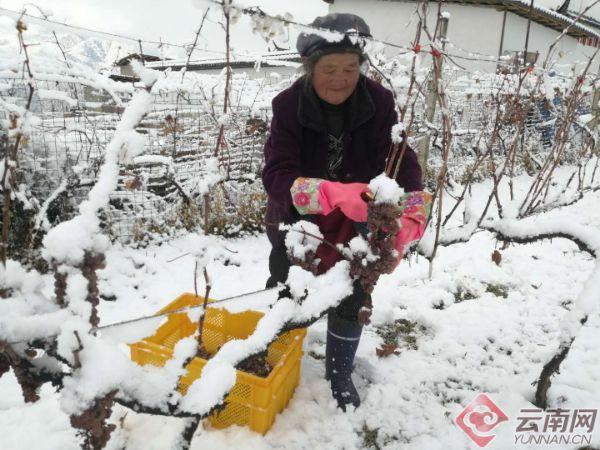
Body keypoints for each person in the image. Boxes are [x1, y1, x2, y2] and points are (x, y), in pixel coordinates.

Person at [261, 13, 426, 412]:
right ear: (309, 68)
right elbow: (276, 175)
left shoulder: (380, 102)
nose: (340, 78)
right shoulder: (287, 105)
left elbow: (403, 163)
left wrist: (411, 214)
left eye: (350, 68)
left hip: (358, 219)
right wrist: (329, 191)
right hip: (300, 219)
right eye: (329, 69)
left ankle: (339, 371)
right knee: (289, 282)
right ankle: (277, 357)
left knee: (355, 286)